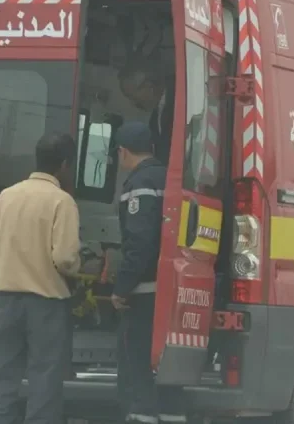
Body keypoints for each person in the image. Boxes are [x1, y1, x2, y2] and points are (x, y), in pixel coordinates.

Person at [0, 133, 81, 424]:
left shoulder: (7, 195)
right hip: (46, 304)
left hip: (3, 301)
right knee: (44, 383)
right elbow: (64, 258)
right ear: (64, 164)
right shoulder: (63, 202)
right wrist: (77, 267)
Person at [112, 121, 167, 423]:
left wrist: (121, 288)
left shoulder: (140, 184)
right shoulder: (167, 177)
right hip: (166, 286)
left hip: (143, 291)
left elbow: (139, 242)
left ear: (122, 151)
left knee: (135, 365)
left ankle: (140, 415)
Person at [118, 59, 174, 164]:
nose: (133, 103)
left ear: (149, 86)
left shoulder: (180, 100)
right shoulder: (154, 117)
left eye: (132, 96)